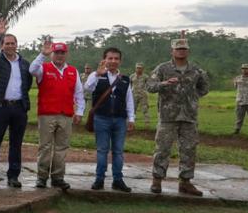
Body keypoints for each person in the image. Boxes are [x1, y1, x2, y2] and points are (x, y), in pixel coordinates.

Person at [146, 32, 210, 196]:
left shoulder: (196, 70)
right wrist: (164, 84)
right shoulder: (163, 68)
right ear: (172, 51)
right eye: (178, 49)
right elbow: (150, 86)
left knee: (189, 149)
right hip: (168, 116)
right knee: (162, 148)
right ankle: (157, 180)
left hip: (189, 116)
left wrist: (192, 98)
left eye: (184, 49)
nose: (181, 51)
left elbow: (204, 88)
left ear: (188, 51)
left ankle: (185, 182)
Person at [0, 18, 32, 188]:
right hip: (0, 107)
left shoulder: (25, 64)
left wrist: (23, 102)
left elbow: (28, 83)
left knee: (16, 144)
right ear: (2, 46)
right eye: (7, 43)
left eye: (13, 43)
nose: (10, 46)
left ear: (17, 45)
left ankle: (13, 176)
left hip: (19, 108)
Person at [29, 41, 84, 190]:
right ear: (52, 54)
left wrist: (80, 111)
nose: (59, 55)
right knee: (45, 147)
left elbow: (79, 93)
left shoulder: (73, 71)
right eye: (57, 52)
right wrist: (42, 55)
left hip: (65, 114)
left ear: (66, 54)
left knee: (61, 148)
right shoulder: (43, 68)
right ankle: (41, 177)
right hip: (47, 114)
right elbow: (31, 69)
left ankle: (58, 177)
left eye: (62, 53)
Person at [84, 47, 135, 192]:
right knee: (102, 150)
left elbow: (129, 100)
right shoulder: (97, 75)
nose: (113, 61)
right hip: (101, 118)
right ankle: (99, 179)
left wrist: (131, 118)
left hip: (119, 119)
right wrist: (96, 74)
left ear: (120, 61)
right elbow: (87, 89)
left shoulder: (125, 79)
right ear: (104, 60)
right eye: (110, 58)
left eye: (116, 58)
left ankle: (118, 180)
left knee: (118, 151)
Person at [130, 63, 150, 128]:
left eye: (140, 68)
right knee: (133, 110)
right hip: (134, 95)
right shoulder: (132, 76)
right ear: (135, 68)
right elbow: (129, 86)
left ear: (143, 69)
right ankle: (131, 124)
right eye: (137, 68)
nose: (138, 69)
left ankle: (147, 124)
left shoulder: (146, 77)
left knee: (145, 109)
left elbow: (149, 85)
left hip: (143, 95)